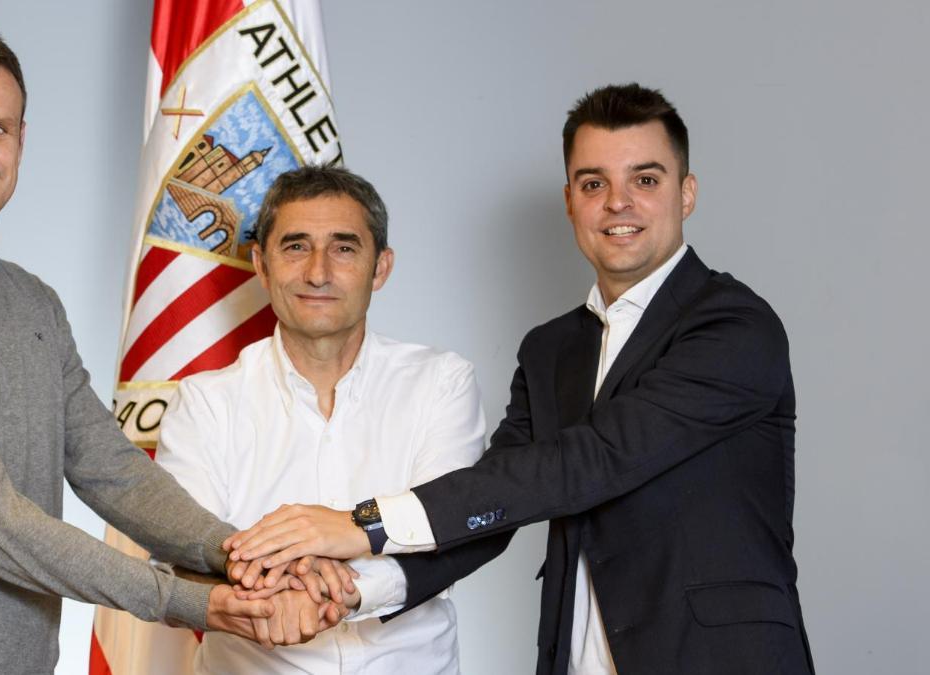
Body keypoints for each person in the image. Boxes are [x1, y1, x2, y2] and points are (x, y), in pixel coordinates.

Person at [0, 25, 333, 674]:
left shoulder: (33, 302)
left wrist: (239, 553)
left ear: (22, 139)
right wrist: (195, 599)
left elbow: (112, 468)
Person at [226, 84, 816, 675]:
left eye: (645, 179)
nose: (618, 203)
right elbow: (496, 499)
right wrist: (356, 590)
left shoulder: (735, 327)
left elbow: (594, 460)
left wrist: (365, 524)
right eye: (593, 184)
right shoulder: (551, 349)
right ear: (570, 201)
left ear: (686, 194)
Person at [154, 165, 496, 674]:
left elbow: (446, 533)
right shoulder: (204, 403)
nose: (318, 272)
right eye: (295, 247)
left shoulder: (441, 383)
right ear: (261, 265)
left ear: (380, 267)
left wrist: (340, 590)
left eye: (343, 248)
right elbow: (179, 560)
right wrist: (274, 599)